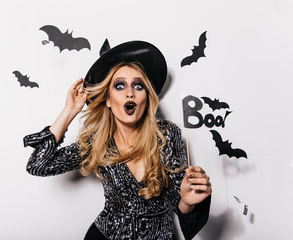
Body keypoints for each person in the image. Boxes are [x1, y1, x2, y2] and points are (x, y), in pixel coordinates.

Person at [23, 41, 212, 240]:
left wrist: (187, 200)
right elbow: (38, 165)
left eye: (138, 86)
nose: (130, 92)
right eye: (119, 86)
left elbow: (179, 201)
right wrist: (69, 111)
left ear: (146, 97)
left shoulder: (166, 135)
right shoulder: (97, 143)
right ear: (108, 99)